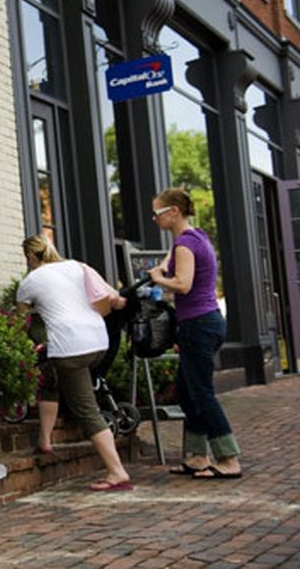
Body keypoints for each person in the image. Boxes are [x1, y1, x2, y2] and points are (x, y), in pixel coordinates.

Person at [17, 234, 133, 491]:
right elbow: (114, 297)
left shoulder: (30, 281)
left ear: (30, 257)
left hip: (72, 349)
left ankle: (117, 472)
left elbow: (19, 323)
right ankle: (45, 440)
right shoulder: (78, 266)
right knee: (51, 371)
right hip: (98, 342)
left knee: (86, 410)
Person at [148, 188, 242, 479]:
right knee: (187, 393)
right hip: (208, 322)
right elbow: (173, 257)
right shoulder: (194, 236)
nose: (154, 219)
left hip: (197, 324)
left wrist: (159, 279)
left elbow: (184, 284)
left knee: (202, 393)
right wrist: (164, 265)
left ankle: (228, 458)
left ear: (173, 211)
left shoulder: (185, 245)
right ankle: (198, 456)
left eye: (157, 213)